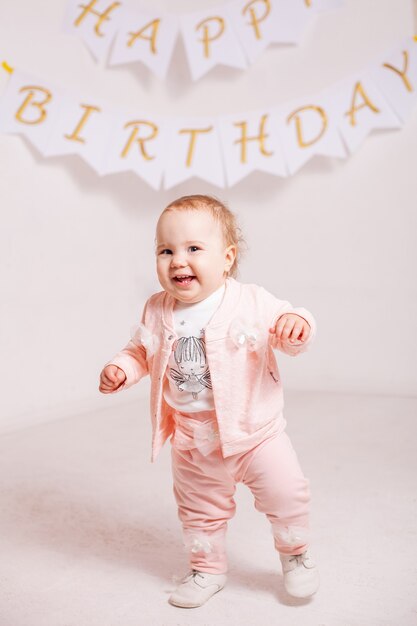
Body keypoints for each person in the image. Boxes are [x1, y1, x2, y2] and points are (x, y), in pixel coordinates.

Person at [99, 194, 319, 608]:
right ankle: (207, 569)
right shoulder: (157, 308)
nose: (178, 261)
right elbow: (140, 351)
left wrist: (296, 325)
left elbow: (289, 321)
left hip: (256, 432)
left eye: (194, 249)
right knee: (199, 510)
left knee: (286, 492)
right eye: (166, 250)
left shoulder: (251, 300)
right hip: (193, 438)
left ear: (227, 258)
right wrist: (121, 369)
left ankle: (296, 555)